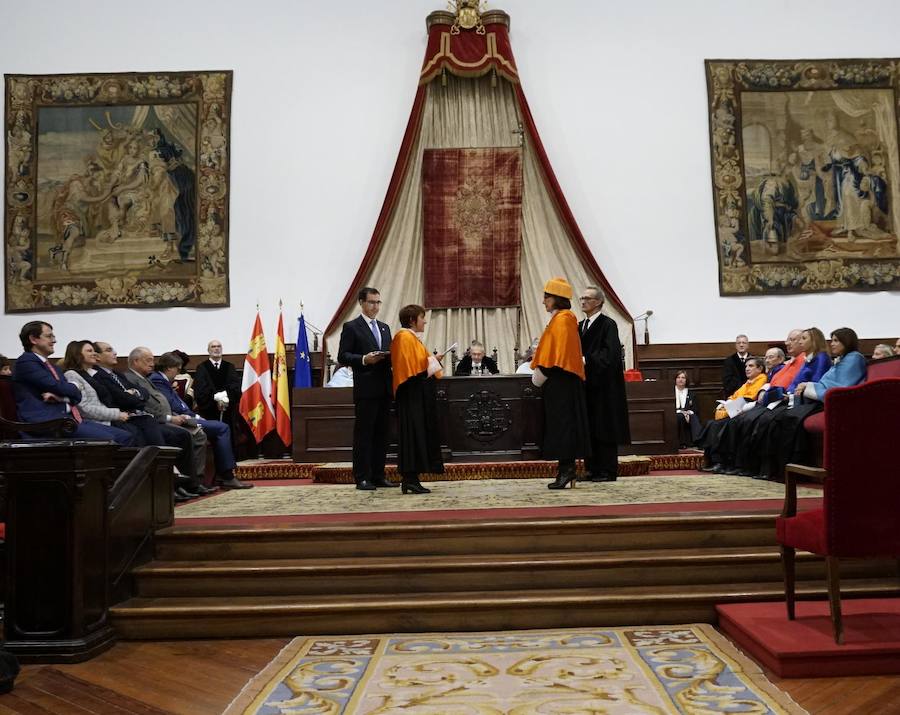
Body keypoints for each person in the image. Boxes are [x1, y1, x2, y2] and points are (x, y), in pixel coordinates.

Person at [94, 340, 211, 498]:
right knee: (178, 434)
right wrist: (135, 396)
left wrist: (135, 394)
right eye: (109, 350)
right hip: (130, 419)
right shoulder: (102, 375)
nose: (114, 352)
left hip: (145, 418)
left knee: (183, 435)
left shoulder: (119, 375)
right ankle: (167, 484)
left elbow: (143, 394)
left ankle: (186, 484)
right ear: (97, 356)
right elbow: (124, 399)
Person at [758, 327, 867, 480]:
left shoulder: (854, 358)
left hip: (834, 403)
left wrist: (807, 387)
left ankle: (792, 469)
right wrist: (807, 387)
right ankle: (780, 468)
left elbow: (841, 385)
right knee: (780, 418)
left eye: (836, 340)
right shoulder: (841, 359)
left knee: (787, 418)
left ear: (847, 341)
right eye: (832, 340)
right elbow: (825, 383)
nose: (832, 344)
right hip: (819, 399)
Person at [12, 321, 134, 443]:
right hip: (47, 422)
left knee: (125, 436)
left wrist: (62, 397)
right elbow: (59, 387)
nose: (54, 341)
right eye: (49, 336)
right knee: (109, 440)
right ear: (33, 339)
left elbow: (76, 396)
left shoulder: (53, 367)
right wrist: (75, 386)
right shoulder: (26, 362)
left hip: (68, 420)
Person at [150, 352, 252, 489]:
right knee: (222, 428)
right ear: (169, 368)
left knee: (218, 428)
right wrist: (195, 417)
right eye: (177, 369)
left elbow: (179, 404)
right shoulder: (158, 380)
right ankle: (227, 476)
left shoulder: (163, 380)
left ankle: (219, 475)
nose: (178, 373)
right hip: (180, 419)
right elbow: (175, 406)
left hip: (186, 417)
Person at [531, 277, 591, 490]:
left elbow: (558, 355)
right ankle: (566, 471)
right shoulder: (560, 319)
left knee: (564, 428)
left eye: (546, 297)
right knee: (561, 427)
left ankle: (566, 471)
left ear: (557, 298)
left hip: (562, 383)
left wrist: (541, 373)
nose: (543, 301)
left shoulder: (564, 320)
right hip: (559, 383)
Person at [337, 287, 395, 491]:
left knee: (382, 435)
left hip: (386, 388)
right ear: (361, 303)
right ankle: (362, 477)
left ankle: (379, 475)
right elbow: (343, 356)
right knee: (364, 435)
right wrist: (364, 359)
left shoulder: (385, 327)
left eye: (378, 302)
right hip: (366, 389)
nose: (375, 306)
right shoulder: (351, 327)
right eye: (372, 302)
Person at [60, 340, 164, 448]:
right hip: (97, 420)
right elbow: (85, 408)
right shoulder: (72, 374)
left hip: (110, 416)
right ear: (78, 354)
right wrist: (117, 414)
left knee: (144, 426)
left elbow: (139, 392)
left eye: (94, 351)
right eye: (89, 351)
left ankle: (157, 462)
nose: (94, 353)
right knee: (133, 434)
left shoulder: (93, 374)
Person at [391, 304, 445, 494]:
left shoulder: (412, 338)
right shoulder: (404, 337)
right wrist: (432, 363)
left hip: (416, 394)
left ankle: (411, 479)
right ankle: (410, 479)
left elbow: (418, 365)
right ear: (412, 320)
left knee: (416, 436)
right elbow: (411, 371)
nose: (425, 321)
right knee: (411, 436)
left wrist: (432, 361)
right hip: (410, 395)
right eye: (422, 318)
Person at [578, 285, 630, 481]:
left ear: (599, 301)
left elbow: (611, 355)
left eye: (588, 298)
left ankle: (607, 470)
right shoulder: (580, 325)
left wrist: (586, 360)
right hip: (586, 386)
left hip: (605, 388)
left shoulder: (608, 324)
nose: (583, 301)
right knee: (589, 428)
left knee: (604, 428)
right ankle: (591, 468)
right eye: (582, 298)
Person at [193, 339, 241, 423]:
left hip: (228, 409)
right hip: (209, 410)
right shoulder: (201, 368)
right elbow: (200, 389)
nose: (216, 348)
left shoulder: (230, 367)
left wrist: (225, 397)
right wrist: (216, 399)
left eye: (219, 346)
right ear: (208, 350)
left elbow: (235, 386)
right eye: (213, 346)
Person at [673, 370, 701, 448]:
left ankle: (698, 440)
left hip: (688, 414)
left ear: (686, 380)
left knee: (694, 416)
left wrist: (689, 412)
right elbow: (669, 407)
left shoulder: (691, 393)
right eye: (678, 377)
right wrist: (681, 412)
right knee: (680, 416)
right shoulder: (671, 392)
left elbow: (695, 408)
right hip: (675, 414)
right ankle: (682, 443)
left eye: (683, 378)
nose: (680, 379)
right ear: (675, 379)